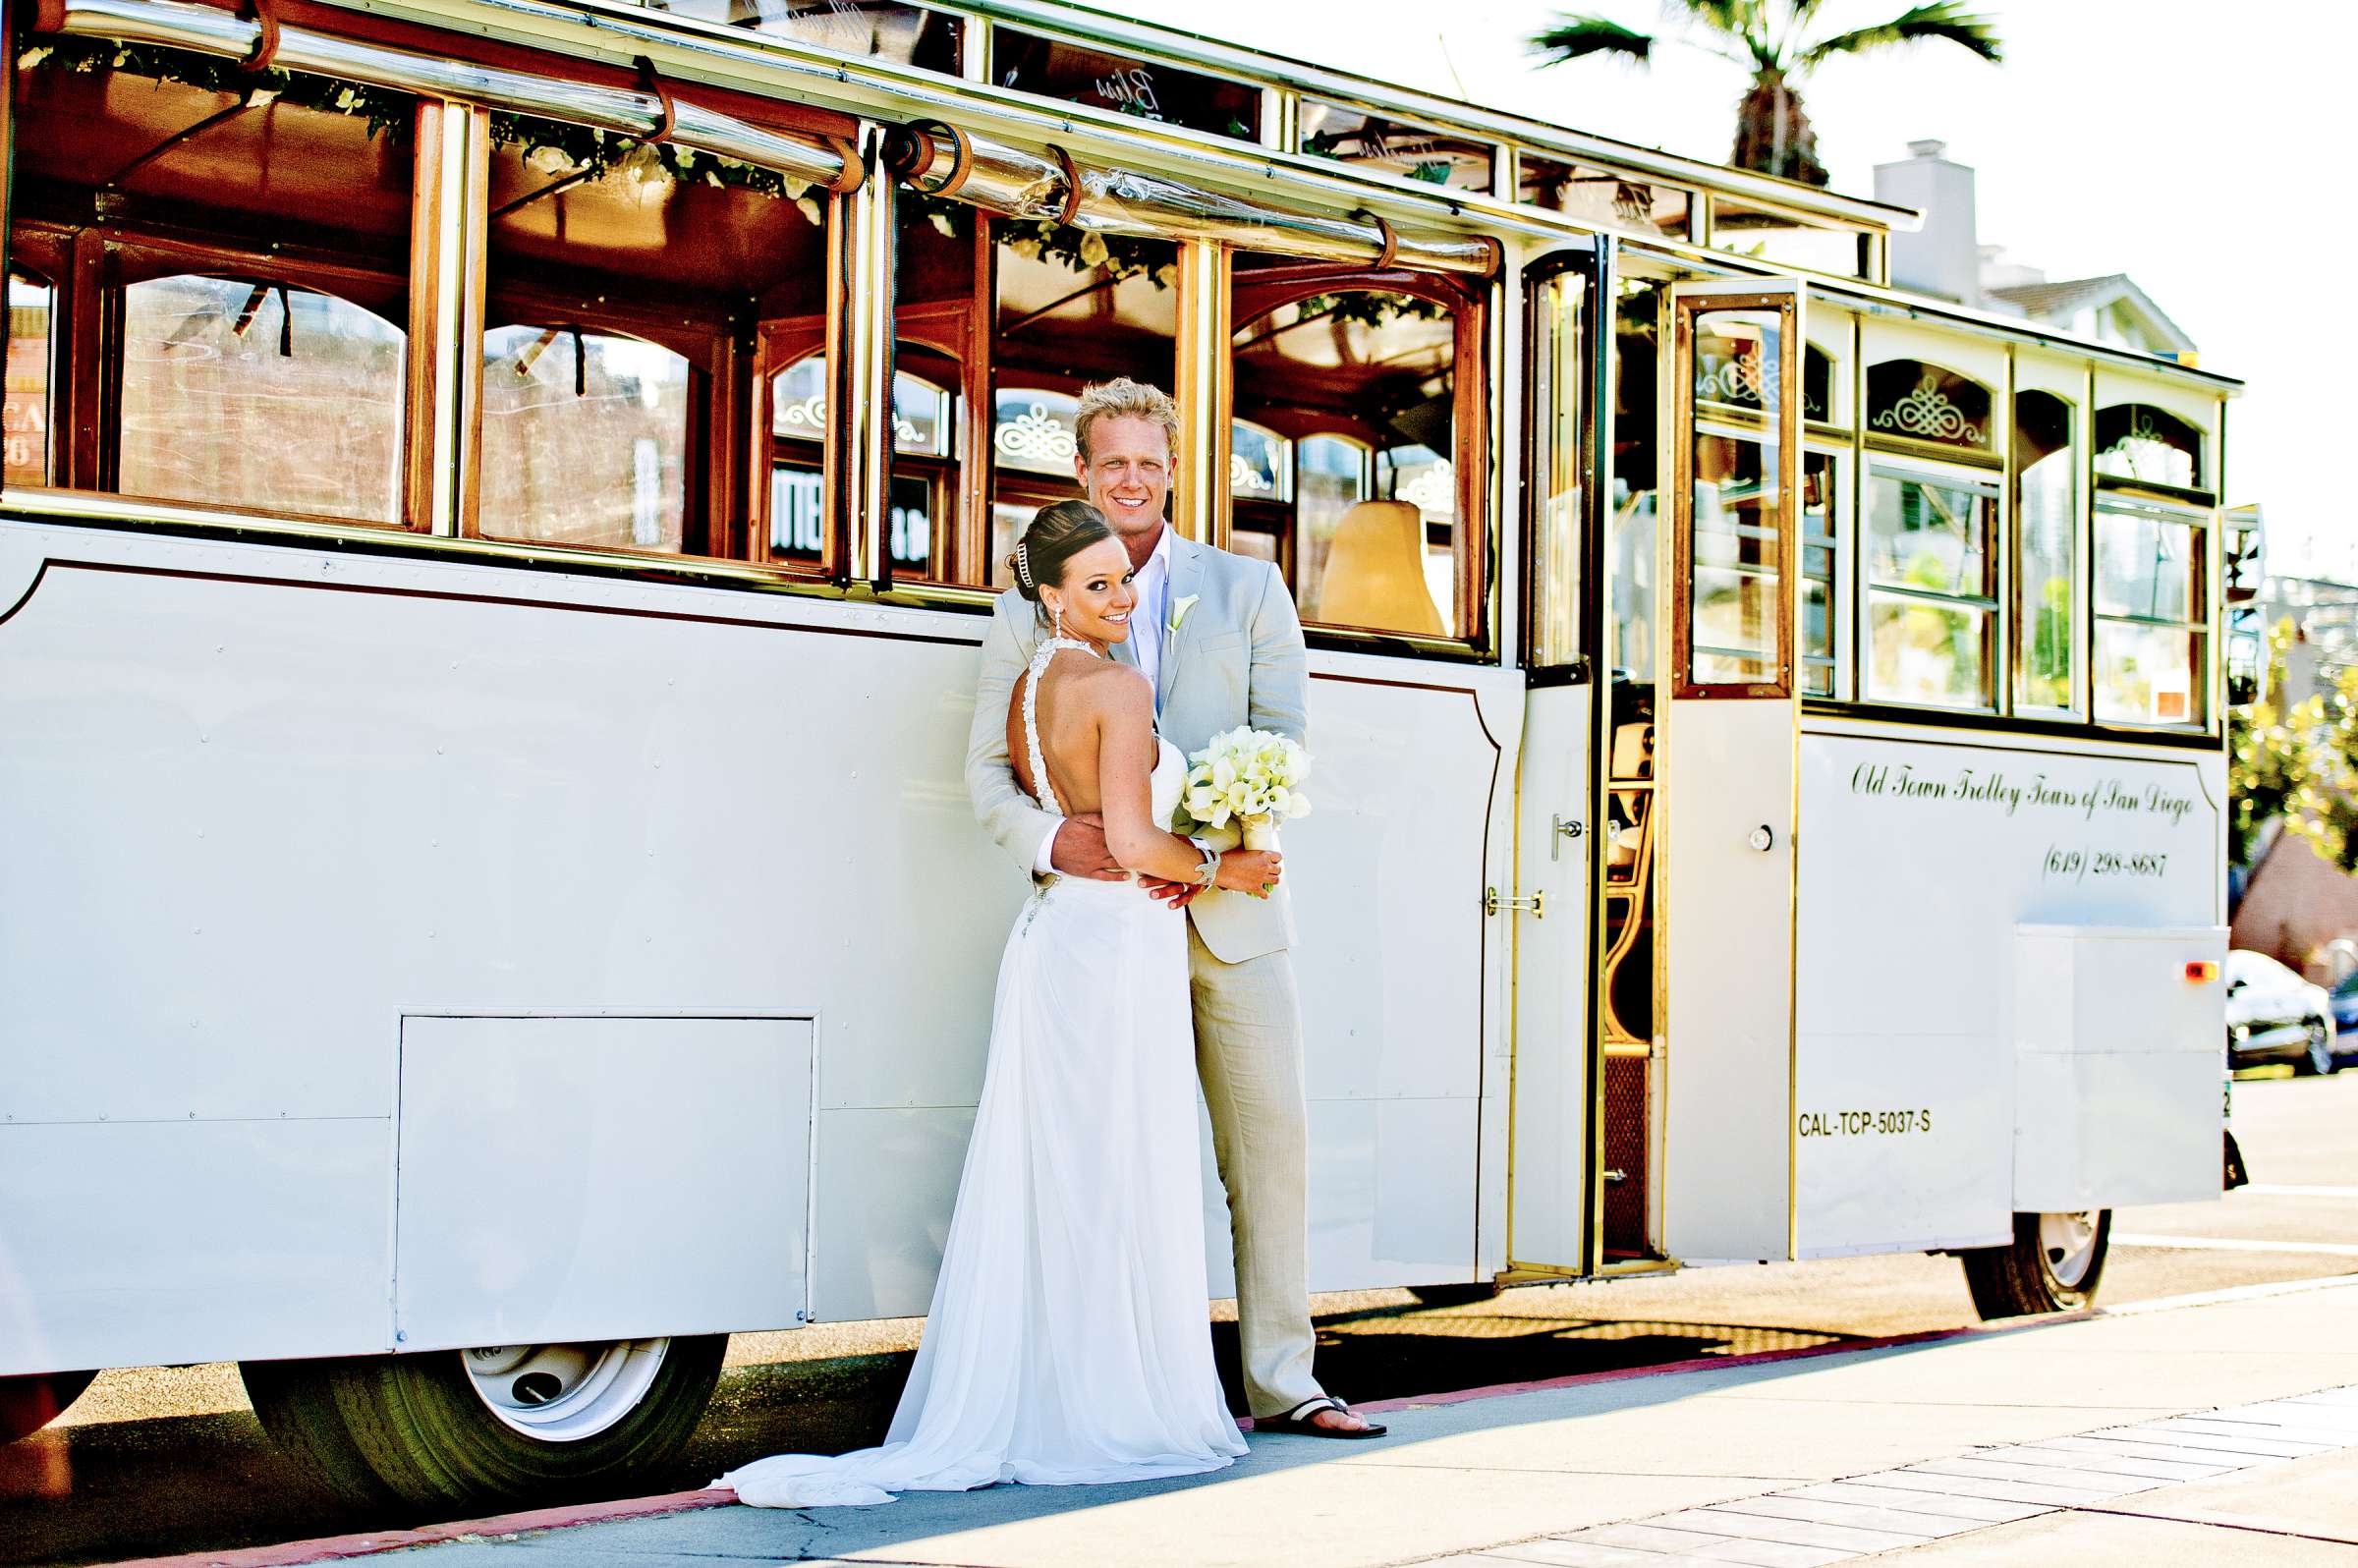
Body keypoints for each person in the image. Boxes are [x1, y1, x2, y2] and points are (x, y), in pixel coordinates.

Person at [718, 501, 1276, 1507]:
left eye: (1124, 578)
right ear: (1051, 594)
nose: (1121, 596)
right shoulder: (1119, 685)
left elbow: (1069, 822)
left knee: (1057, 1170)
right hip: (1113, 943)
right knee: (1111, 1168)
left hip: (1057, 937)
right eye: (1097, 584)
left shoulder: (1030, 689)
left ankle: (1050, 1395)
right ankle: (1107, 1408)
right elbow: (1136, 843)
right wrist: (1225, 866)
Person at [965, 379, 1384, 1440]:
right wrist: (1051, 840)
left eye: (1150, 462)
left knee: (1270, 1154)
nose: (1133, 480)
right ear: (1082, 475)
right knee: (1112, 1159)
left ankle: (1288, 1384)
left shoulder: (1247, 587)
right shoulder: (1030, 603)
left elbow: (1283, 747)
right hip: (1105, 927)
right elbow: (986, 771)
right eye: (1113, 464)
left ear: (1174, 467)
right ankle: (1117, 1389)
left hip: (1229, 924)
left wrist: (1235, 850)